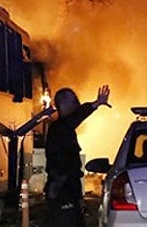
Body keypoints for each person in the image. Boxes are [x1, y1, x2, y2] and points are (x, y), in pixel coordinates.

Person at [44, 85, 111, 227]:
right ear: (63, 104)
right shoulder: (60, 128)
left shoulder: (63, 128)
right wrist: (95, 104)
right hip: (62, 188)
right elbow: (75, 117)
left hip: (67, 187)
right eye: (73, 102)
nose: (77, 105)